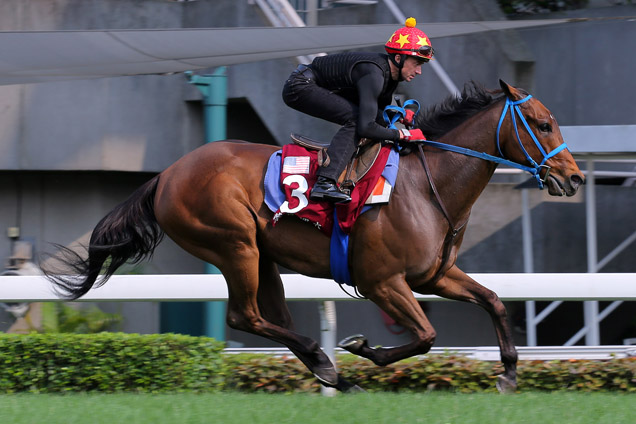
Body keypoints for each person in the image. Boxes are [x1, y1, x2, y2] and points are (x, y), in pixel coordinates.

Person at [282, 17, 433, 203]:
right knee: (357, 120)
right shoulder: (374, 74)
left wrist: (402, 115)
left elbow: (382, 114)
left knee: (374, 119)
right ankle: (325, 182)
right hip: (299, 86)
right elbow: (366, 127)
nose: (419, 71)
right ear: (399, 57)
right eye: (417, 63)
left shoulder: (390, 76)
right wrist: (403, 136)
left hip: (317, 85)